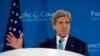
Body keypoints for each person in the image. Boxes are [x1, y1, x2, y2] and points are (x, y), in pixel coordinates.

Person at [6, 10, 88, 56]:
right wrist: (19, 48)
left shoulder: (81, 46)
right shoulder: (45, 45)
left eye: (67, 22)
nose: (64, 26)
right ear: (54, 26)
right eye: (60, 23)